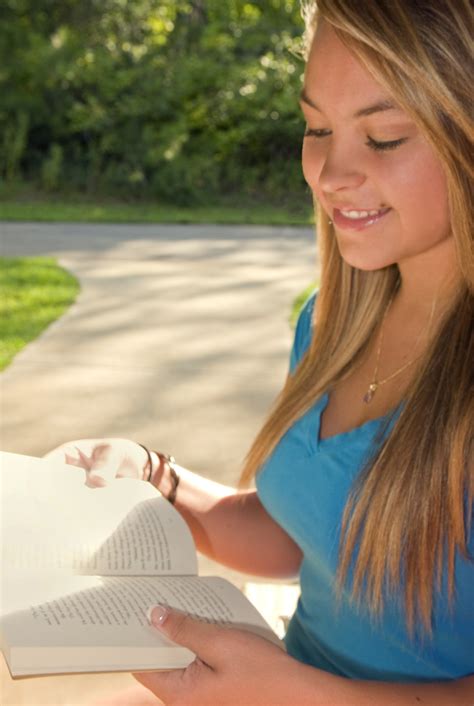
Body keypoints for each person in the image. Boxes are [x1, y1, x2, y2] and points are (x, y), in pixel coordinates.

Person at [46, 1, 473, 704]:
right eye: (317, 128)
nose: (331, 173)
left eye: (386, 137)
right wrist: (159, 481)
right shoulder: (330, 322)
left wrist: (299, 695)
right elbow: (299, 532)